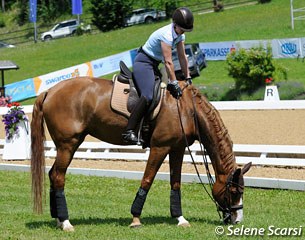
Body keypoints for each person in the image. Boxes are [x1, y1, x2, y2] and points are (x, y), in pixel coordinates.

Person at [122, 7, 194, 145]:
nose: (184, 32)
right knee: (148, 95)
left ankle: (147, 129)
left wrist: (188, 77)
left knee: (162, 98)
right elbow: (168, 61)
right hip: (143, 62)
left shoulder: (180, 34)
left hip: (154, 65)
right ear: (175, 25)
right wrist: (173, 82)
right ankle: (129, 131)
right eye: (182, 29)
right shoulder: (166, 35)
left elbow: (182, 56)